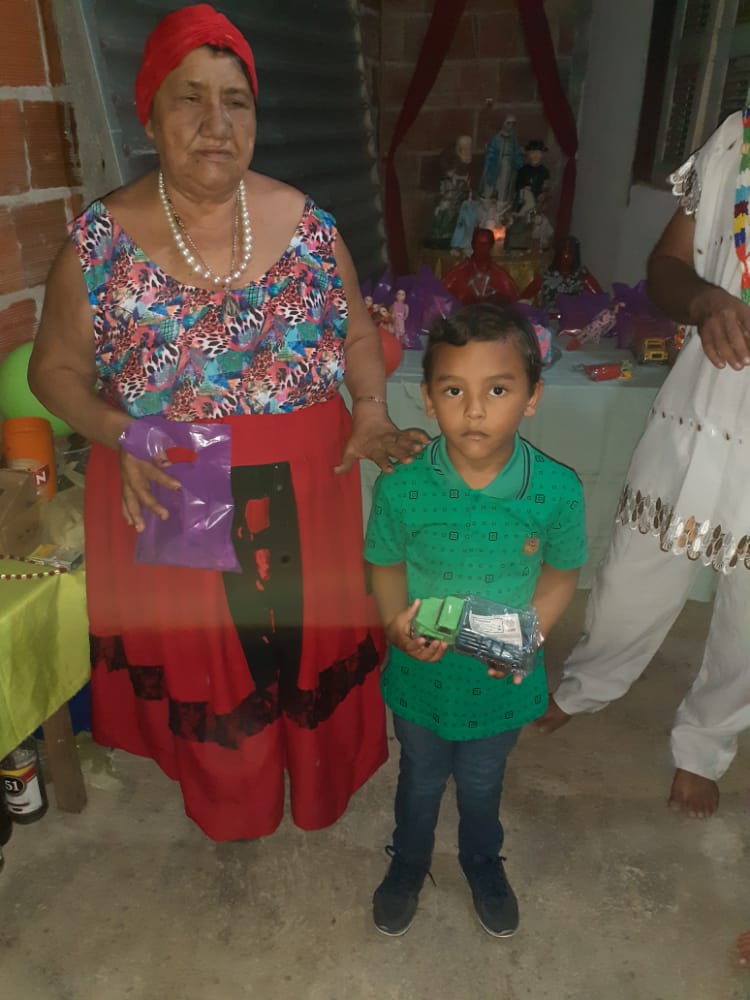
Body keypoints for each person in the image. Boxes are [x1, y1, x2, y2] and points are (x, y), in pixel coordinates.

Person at [27, 4, 426, 842]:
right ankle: (235, 807)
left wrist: (370, 410)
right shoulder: (99, 242)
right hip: (185, 468)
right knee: (219, 660)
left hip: (309, 474)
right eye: (190, 98)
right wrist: (121, 432)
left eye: (236, 101)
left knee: (303, 640)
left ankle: (315, 785)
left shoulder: (307, 224)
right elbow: (52, 371)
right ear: (149, 114)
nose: (217, 123)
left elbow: (357, 333)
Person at [535, 108, 750, 829]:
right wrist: (705, 300)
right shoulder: (736, 141)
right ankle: (588, 683)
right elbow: (665, 270)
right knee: (634, 570)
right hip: (702, 408)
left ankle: (706, 744)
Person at [364, 302, 587, 936]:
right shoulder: (402, 486)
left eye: (498, 389)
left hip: (498, 683)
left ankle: (482, 861)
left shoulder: (556, 490)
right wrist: (394, 624)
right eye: (454, 390)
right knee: (420, 777)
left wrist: (530, 634)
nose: (475, 410)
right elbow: (384, 563)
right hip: (421, 676)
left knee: (484, 781)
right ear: (428, 400)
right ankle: (409, 861)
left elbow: (561, 573)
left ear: (532, 397)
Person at [519, 235, 602, 311]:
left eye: (571, 252)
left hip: (575, 318)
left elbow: (600, 300)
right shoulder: (546, 275)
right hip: (549, 318)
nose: (567, 256)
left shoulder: (582, 275)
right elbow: (522, 299)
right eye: (565, 251)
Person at [442, 228, 519, 305]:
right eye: (478, 243)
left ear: (491, 246)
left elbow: (515, 300)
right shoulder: (457, 273)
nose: (481, 247)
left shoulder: (500, 275)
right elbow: (440, 296)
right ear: (472, 245)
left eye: (485, 244)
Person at [480, 114, 524, 210]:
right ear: (503, 123)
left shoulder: (513, 139)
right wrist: (490, 158)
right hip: (495, 163)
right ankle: (487, 202)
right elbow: (491, 150)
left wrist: (518, 162)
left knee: (504, 183)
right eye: (508, 123)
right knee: (490, 182)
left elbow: (516, 152)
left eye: (513, 124)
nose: (510, 126)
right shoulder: (496, 138)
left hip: (507, 163)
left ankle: (501, 204)